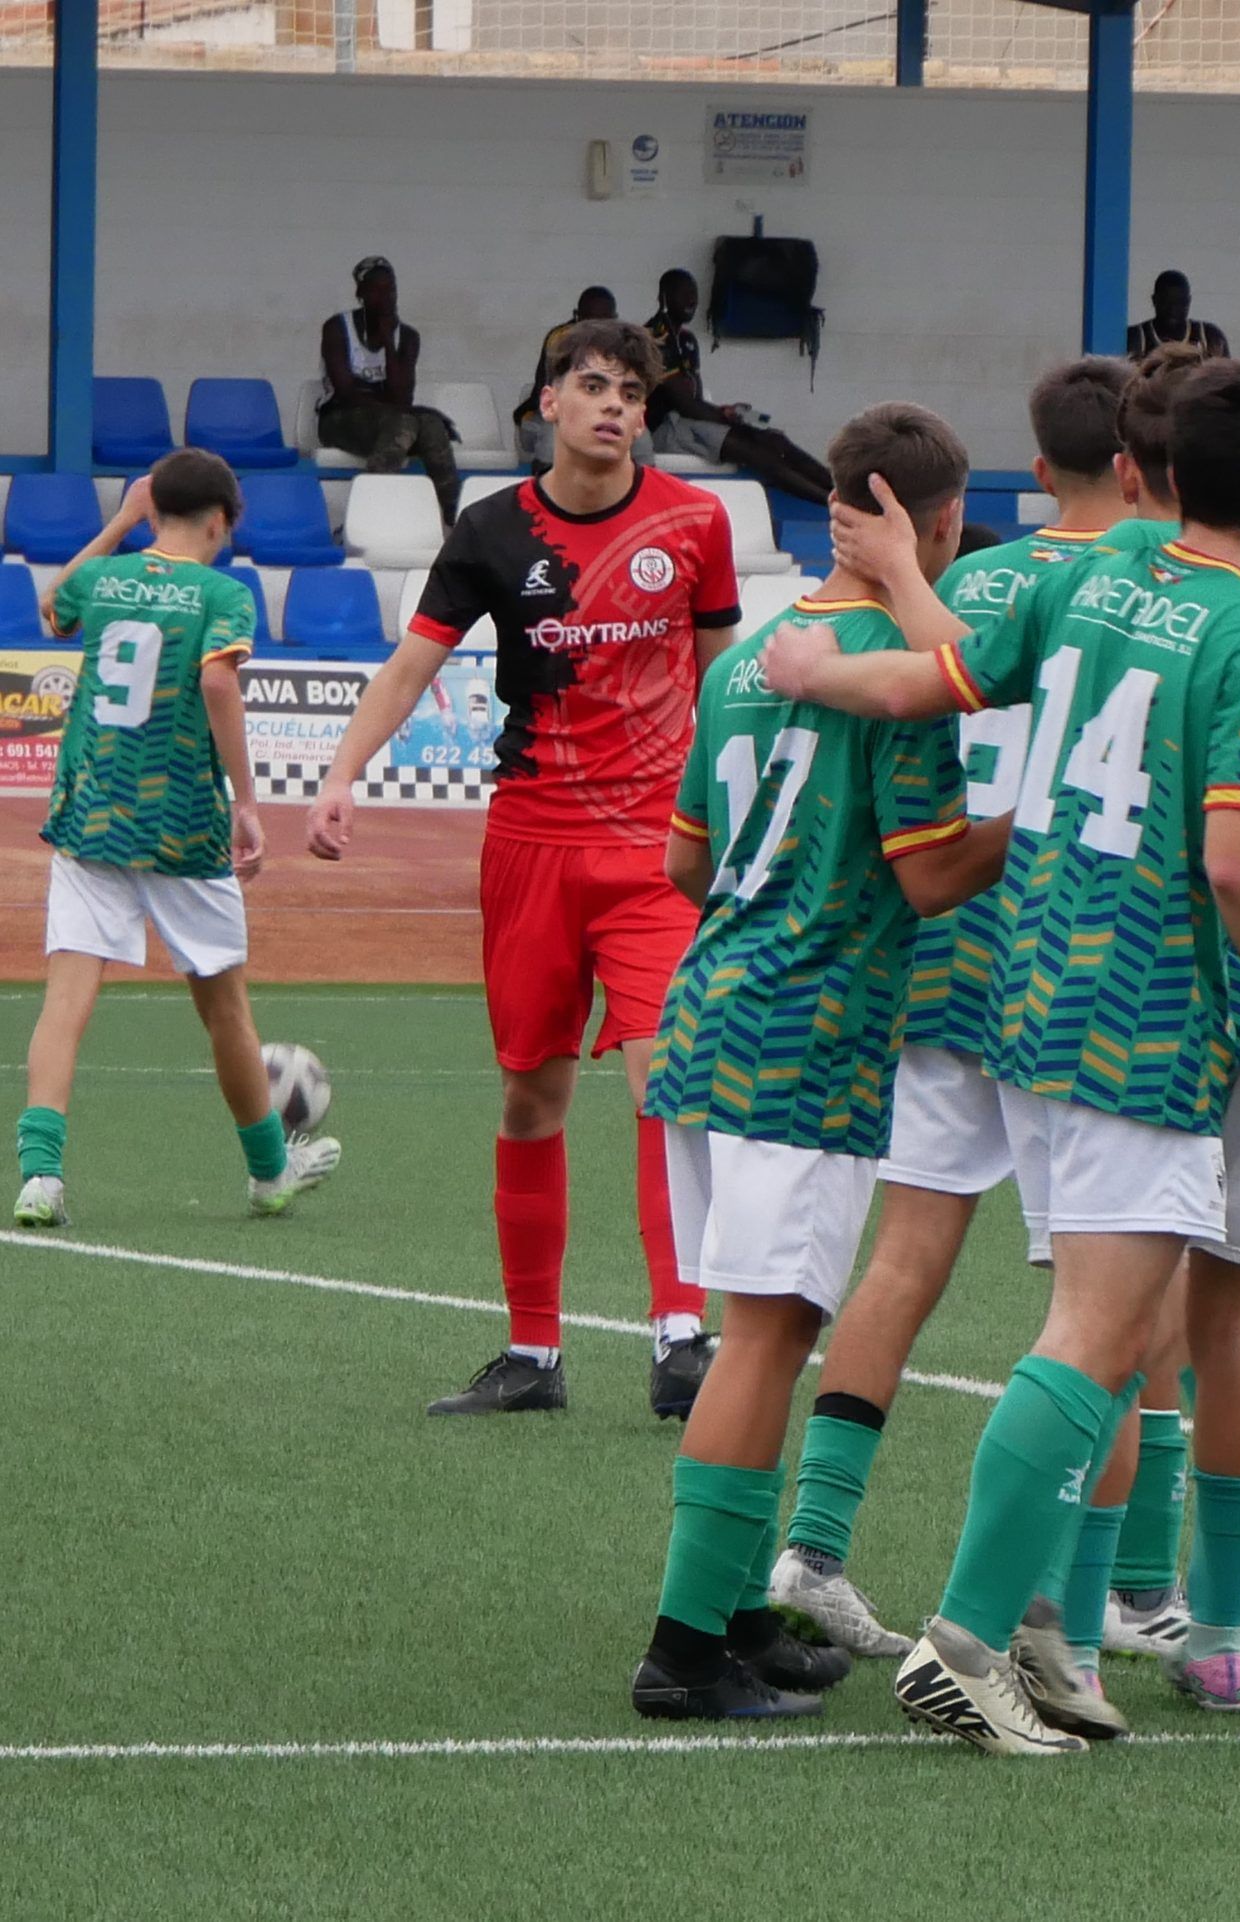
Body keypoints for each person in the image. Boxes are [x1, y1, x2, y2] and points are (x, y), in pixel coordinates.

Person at [762, 359, 1240, 1756]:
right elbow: (1238, 857)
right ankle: (970, 1639)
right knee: (1096, 1334)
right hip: (1147, 1011)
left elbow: (944, 671)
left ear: (1155, 479)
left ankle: (1044, 1640)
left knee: (1103, 1326)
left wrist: (826, 665)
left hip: (1028, 987)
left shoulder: (1094, 577)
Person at [627, 402, 1013, 1723]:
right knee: (768, 1334)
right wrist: (1040, 822)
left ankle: (736, 1608)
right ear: (937, 520)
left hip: (713, 1003)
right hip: (809, 1025)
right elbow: (932, 872)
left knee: (763, 1325)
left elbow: (684, 858)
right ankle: (685, 1647)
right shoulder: (898, 671)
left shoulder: (753, 654)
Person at [304, 319, 742, 1421]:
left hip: (657, 851)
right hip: (531, 845)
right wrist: (343, 774)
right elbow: (411, 666)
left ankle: (680, 1335)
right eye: (593, 385)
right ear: (549, 402)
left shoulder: (695, 522)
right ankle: (532, 1354)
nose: (614, 406)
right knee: (532, 1095)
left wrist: (740, 807)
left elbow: (724, 678)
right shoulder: (492, 529)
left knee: (666, 1081)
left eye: (631, 392)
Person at [14, 455, 341, 1230]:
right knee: (225, 1010)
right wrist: (247, 802)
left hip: (91, 815)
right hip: (182, 823)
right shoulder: (223, 594)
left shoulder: (107, 579)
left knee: (66, 1002)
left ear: (154, 508)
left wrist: (122, 522)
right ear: (222, 521)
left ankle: (40, 1179)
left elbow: (53, 607)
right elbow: (219, 683)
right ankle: (268, 1173)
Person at [646, 269, 834, 505]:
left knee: (776, 440)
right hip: (666, 428)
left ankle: (845, 492)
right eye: (683, 294)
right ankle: (831, 503)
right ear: (664, 296)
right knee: (757, 453)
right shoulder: (654, 338)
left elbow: (696, 398)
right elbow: (685, 405)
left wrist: (726, 411)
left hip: (689, 422)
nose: (691, 300)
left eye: (694, 294)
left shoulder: (686, 340)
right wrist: (732, 422)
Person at [318, 256, 461, 525]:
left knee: (431, 425)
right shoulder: (337, 328)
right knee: (405, 422)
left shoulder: (407, 337)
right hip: (339, 419)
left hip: (390, 420)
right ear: (360, 293)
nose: (386, 298)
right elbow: (346, 393)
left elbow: (402, 396)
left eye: (391, 289)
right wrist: (405, 410)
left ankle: (455, 521)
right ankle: (368, 518)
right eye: (376, 290)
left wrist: (388, 343)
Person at [517, 287, 640, 468]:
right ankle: (546, 483)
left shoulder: (624, 344)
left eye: (604, 321)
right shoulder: (561, 339)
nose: (597, 328)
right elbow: (552, 390)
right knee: (553, 441)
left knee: (642, 442)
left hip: (604, 411)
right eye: (590, 321)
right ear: (577, 316)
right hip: (557, 409)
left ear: (614, 319)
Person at [1125, 269, 1230, 360]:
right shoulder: (1136, 337)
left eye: (1180, 302)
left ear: (1188, 302)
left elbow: (1227, 375)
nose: (1173, 309)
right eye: (1166, 302)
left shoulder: (1209, 337)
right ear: (1154, 300)